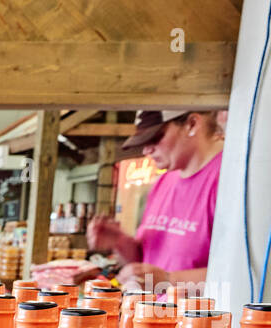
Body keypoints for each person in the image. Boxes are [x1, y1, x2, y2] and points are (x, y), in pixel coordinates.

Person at [87, 110, 224, 295]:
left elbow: (238, 275)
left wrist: (169, 281)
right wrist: (119, 241)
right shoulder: (164, 181)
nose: (146, 150)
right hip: (153, 316)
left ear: (192, 124)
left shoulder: (226, 181)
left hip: (194, 321)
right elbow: (147, 261)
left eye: (155, 138)